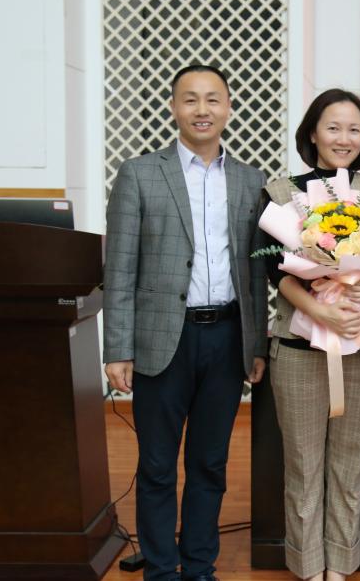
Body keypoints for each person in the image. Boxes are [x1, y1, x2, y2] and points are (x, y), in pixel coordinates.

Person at [103, 64, 268, 581]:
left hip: (227, 337)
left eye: (213, 99)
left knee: (209, 464)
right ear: (174, 107)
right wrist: (117, 348)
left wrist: (256, 344)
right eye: (191, 99)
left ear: (228, 108)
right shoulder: (139, 173)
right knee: (156, 465)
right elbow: (120, 267)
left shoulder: (250, 180)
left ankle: (199, 567)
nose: (202, 110)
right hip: (161, 340)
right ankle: (160, 569)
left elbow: (255, 271)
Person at [260, 89, 360, 581]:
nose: (344, 138)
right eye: (333, 127)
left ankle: (340, 562)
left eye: (354, 129)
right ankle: (308, 566)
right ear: (313, 133)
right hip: (299, 346)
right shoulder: (281, 193)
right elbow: (274, 271)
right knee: (303, 465)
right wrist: (322, 311)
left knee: (350, 462)